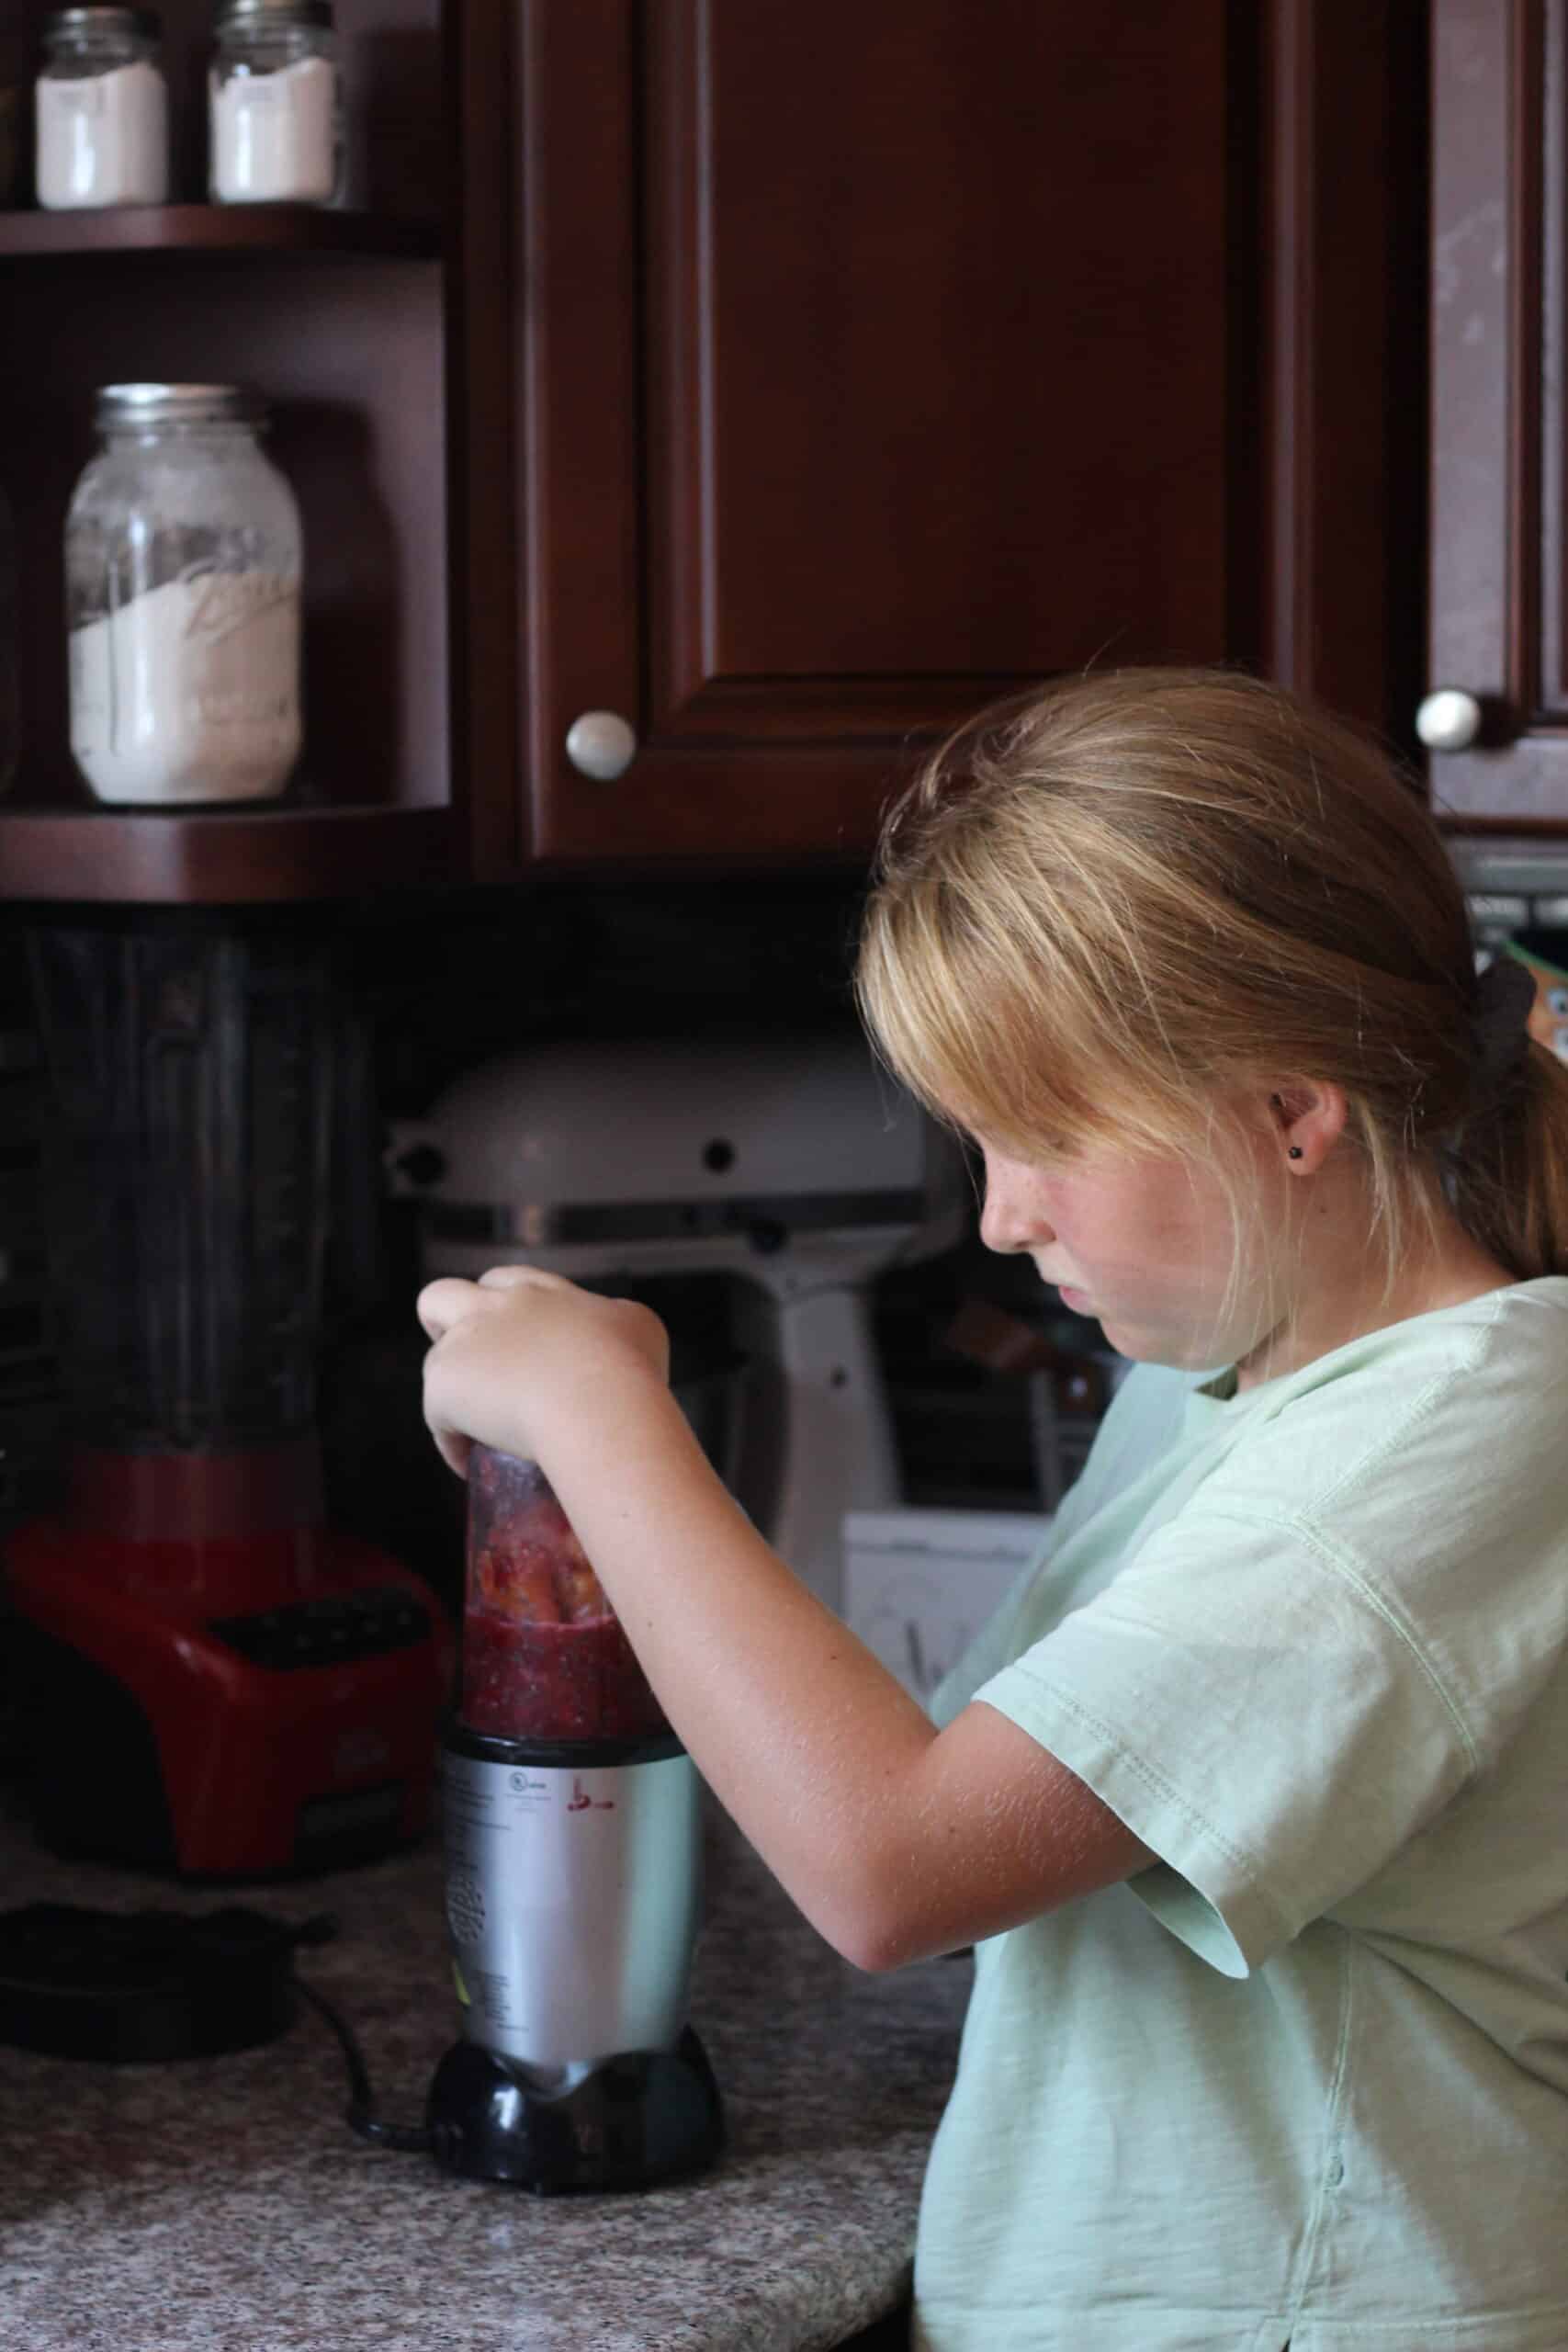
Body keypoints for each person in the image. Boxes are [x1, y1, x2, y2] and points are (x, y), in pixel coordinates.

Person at [418, 666, 1568, 2352]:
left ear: (1292, 1115)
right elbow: (997, 1830)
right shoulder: (1219, 1370)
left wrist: (604, 1420)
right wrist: (618, 1429)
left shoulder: (1466, 1433)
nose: (1006, 1218)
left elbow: (895, 1867)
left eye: (1045, 1137)